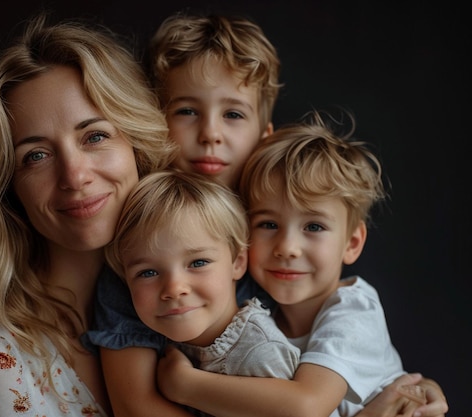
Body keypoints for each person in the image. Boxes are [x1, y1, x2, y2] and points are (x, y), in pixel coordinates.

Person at [87, 12, 448, 417]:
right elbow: (138, 407)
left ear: (264, 136)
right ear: (156, 121)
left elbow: (338, 358)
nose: (210, 133)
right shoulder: (143, 257)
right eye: (187, 111)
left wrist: (416, 387)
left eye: (233, 114)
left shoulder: (280, 235)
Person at [0, 12, 177, 417]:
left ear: (137, 147)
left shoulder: (193, 317)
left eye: (95, 136)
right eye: (35, 155)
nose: (74, 176)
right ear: (9, 188)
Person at [154, 110, 436, 417]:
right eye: (268, 225)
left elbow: (305, 406)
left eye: (313, 227)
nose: (287, 248)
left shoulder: (353, 311)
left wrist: (185, 384)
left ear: (352, 243)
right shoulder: (258, 310)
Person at [104, 170, 300, 397]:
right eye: (147, 272)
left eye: (198, 263)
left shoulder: (262, 353)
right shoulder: (163, 347)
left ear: (237, 262)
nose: (174, 289)